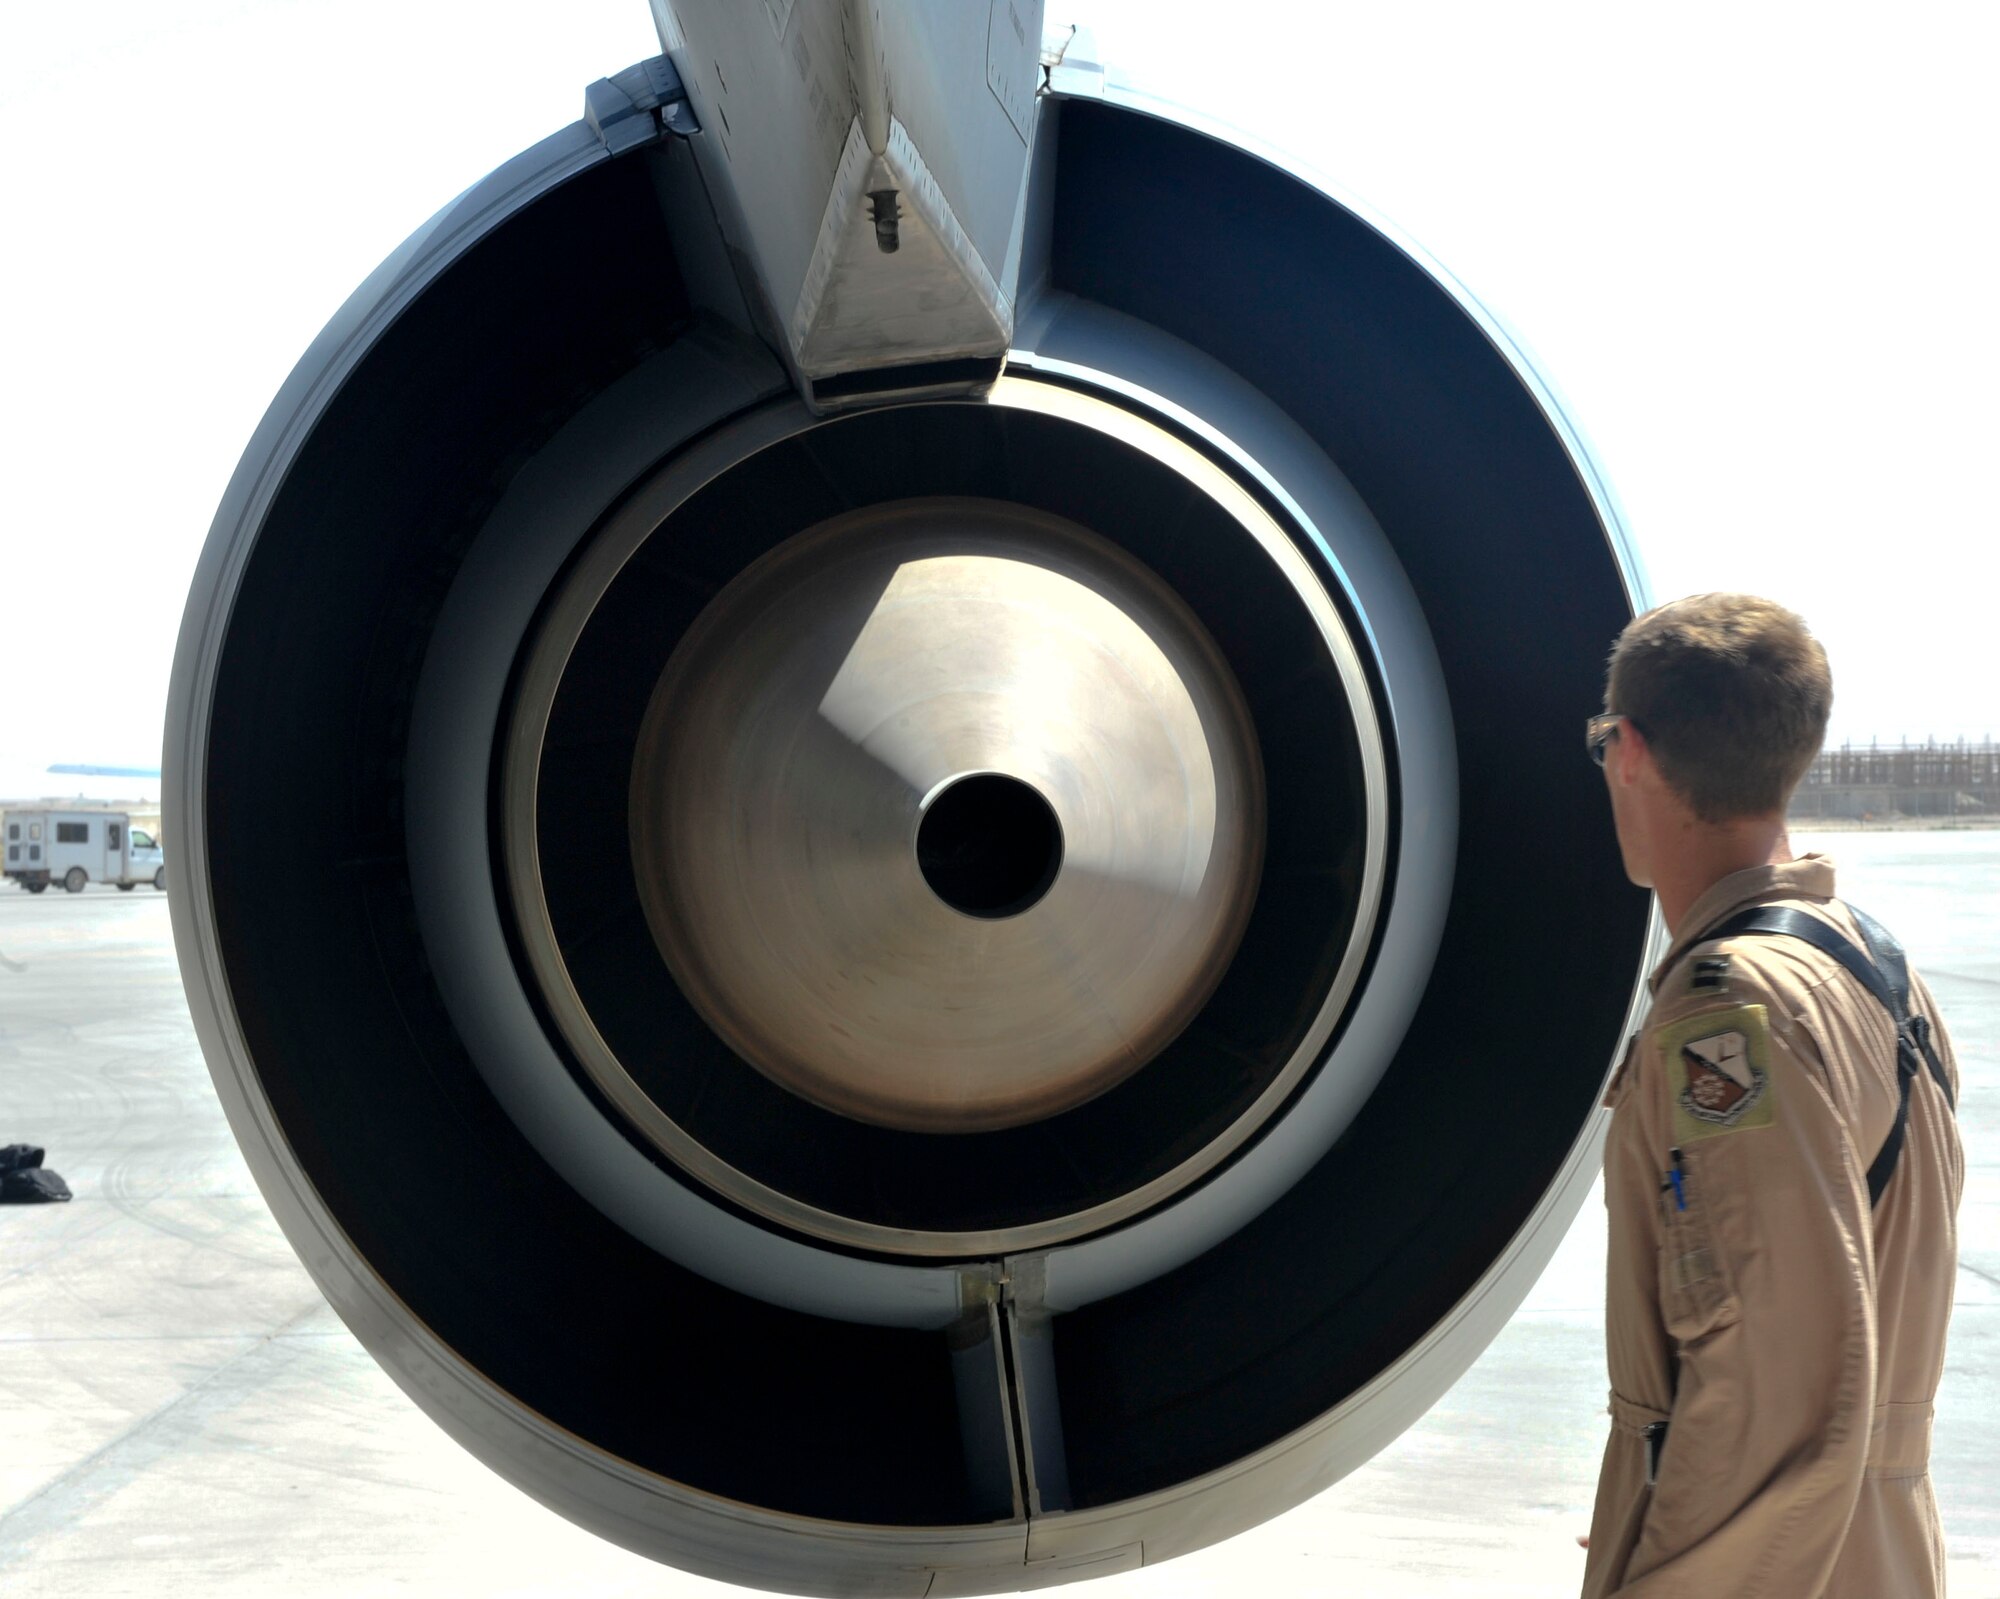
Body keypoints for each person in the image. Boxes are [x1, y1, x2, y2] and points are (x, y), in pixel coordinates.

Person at [1580, 593, 1963, 1598]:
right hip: (1868, 1550)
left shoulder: (1727, 1010)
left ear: (1627, 750)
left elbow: (1775, 1388)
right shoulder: (1873, 970)